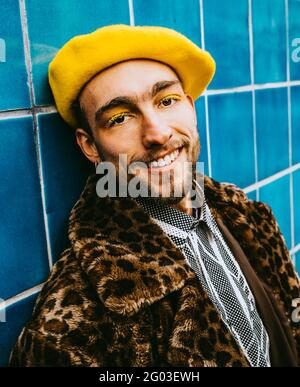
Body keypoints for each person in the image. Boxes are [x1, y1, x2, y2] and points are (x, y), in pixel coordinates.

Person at [9, 24, 300, 367]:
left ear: (190, 108)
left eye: (167, 100)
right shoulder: (76, 326)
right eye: (120, 118)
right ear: (90, 146)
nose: (157, 133)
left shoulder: (251, 219)